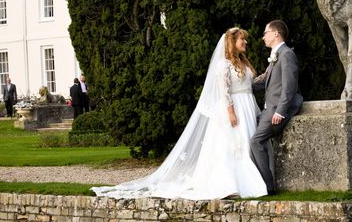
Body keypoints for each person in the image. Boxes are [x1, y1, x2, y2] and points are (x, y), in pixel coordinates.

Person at [94, 27, 267, 200]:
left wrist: (269, 72)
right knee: (234, 145)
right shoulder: (224, 65)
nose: (245, 42)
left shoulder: (244, 63)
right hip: (234, 107)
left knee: (247, 142)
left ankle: (252, 178)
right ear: (232, 43)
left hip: (248, 105)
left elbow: (250, 84)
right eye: (242, 39)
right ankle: (230, 184)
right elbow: (225, 91)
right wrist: (230, 112)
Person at [250, 20, 303, 195]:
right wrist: (240, 86)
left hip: (275, 110)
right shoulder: (276, 55)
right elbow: (265, 80)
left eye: (266, 33)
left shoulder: (286, 54)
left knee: (256, 141)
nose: (263, 36)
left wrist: (280, 111)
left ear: (275, 34)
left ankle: (268, 186)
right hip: (268, 109)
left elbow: (289, 87)